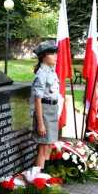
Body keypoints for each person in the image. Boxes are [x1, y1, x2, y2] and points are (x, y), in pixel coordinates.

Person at [31, 40, 60, 169]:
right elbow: (37, 99)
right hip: (45, 112)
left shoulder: (51, 71)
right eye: (52, 54)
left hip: (52, 110)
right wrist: (40, 123)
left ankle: (44, 174)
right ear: (43, 56)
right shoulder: (41, 74)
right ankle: (38, 180)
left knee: (49, 144)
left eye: (56, 53)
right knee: (43, 147)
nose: (56, 56)